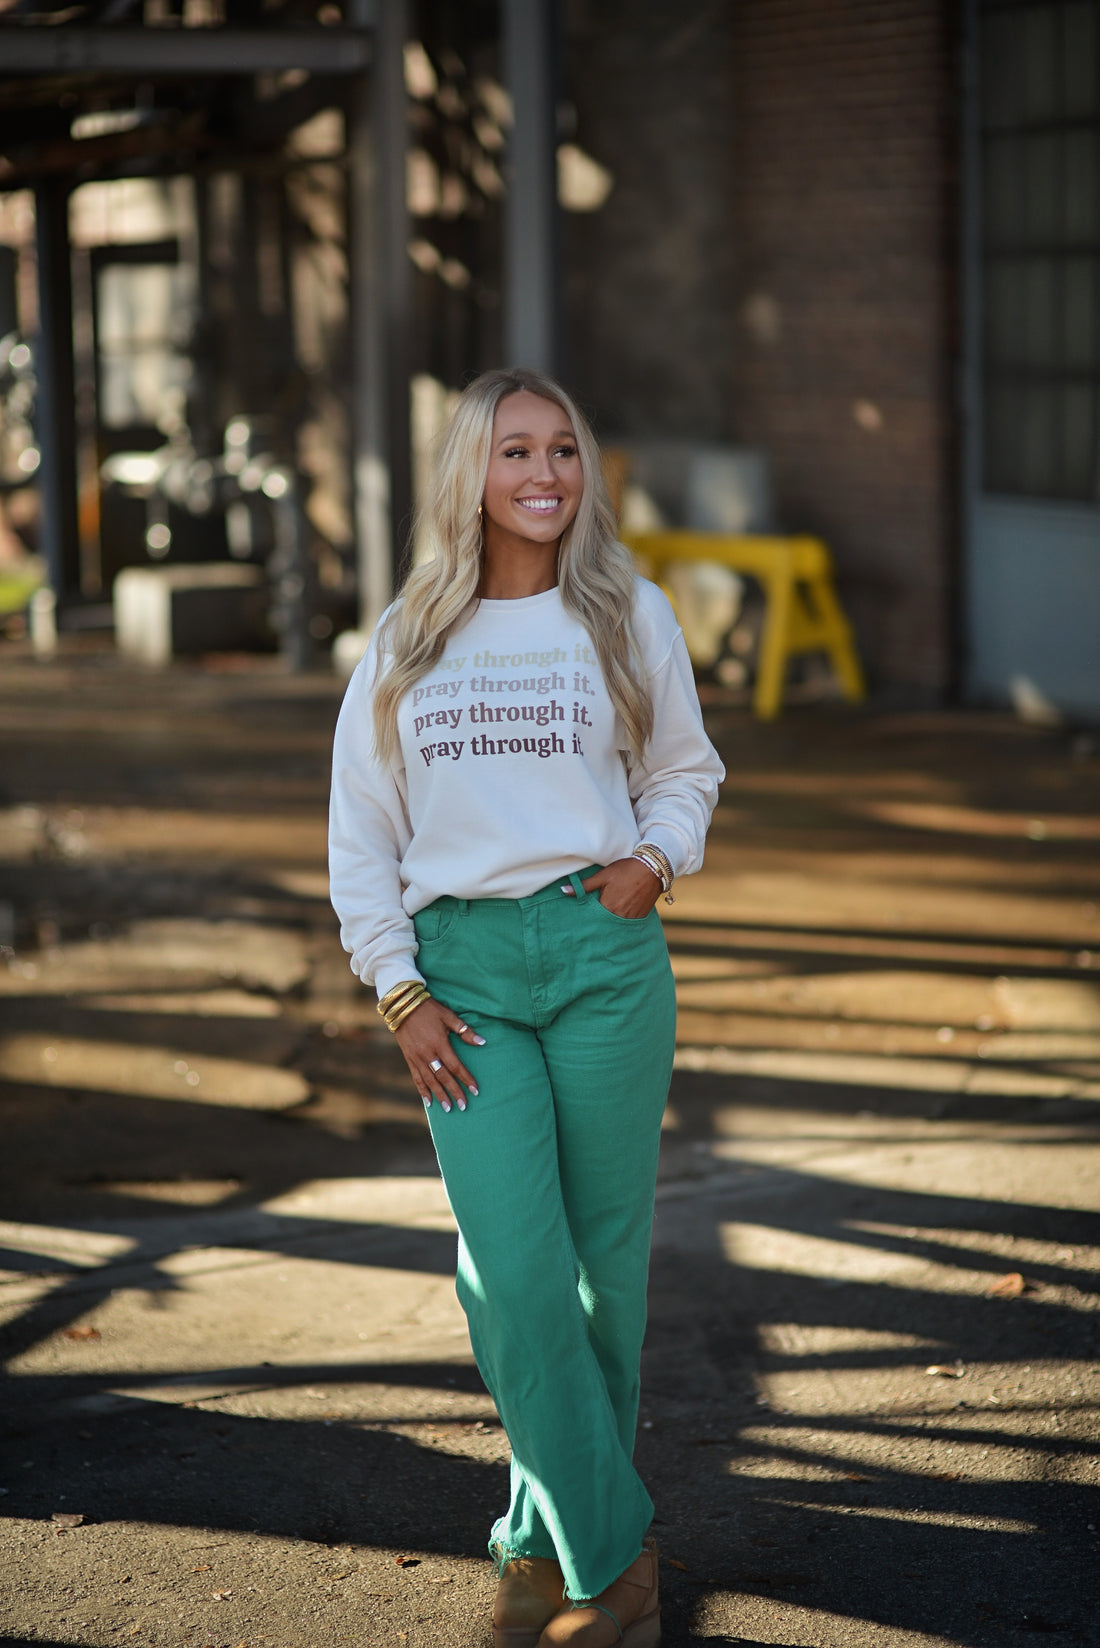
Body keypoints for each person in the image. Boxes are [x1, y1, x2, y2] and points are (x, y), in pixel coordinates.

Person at [329, 367, 723, 1648]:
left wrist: (650, 864)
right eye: (515, 452)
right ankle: (615, 1552)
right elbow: (359, 834)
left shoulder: (625, 614)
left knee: (604, 1272)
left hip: (604, 958)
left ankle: (540, 1536)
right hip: (464, 977)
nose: (545, 474)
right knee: (510, 1276)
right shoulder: (403, 640)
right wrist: (398, 991)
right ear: (470, 474)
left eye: (563, 450)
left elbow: (683, 768)